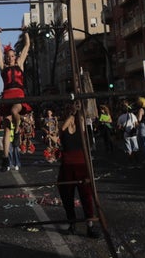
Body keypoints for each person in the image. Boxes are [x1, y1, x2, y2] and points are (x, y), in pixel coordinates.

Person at [56, 102, 99, 238]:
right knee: (69, 195)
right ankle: (75, 224)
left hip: (77, 164)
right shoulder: (71, 124)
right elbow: (62, 133)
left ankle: (87, 225)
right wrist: (73, 115)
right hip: (72, 164)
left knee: (84, 196)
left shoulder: (80, 123)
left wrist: (73, 114)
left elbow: (64, 131)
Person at [0, 27, 31, 171]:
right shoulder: (3, 68)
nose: (10, 58)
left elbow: (27, 45)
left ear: (15, 56)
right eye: (8, 56)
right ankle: (5, 159)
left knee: (15, 111)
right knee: (6, 128)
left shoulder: (20, 64)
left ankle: (17, 133)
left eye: (12, 56)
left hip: (18, 96)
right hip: (6, 97)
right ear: (6, 58)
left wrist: (26, 32)